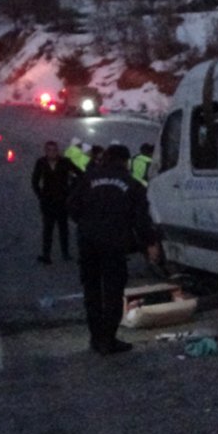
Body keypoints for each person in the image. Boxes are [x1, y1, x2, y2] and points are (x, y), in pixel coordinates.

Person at [67, 144, 159, 355]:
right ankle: (108, 340)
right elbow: (141, 221)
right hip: (114, 244)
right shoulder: (132, 185)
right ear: (125, 161)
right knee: (113, 292)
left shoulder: (87, 179)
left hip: (88, 243)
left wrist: (86, 224)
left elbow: (71, 206)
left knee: (92, 291)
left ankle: (95, 337)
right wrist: (149, 243)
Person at [31, 140, 81, 264]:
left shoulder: (65, 162)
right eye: (49, 150)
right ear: (45, 151)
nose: (52, 153)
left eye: (54, 150)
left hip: (63, 201)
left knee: (63, 228)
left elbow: (80, 174)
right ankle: (46, 255)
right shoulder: (41, 162)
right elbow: (35, 181)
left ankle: (65, 253)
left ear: (57, 151)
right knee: (48, 229)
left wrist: (72, 191)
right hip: (47, 201)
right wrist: (40, 195)